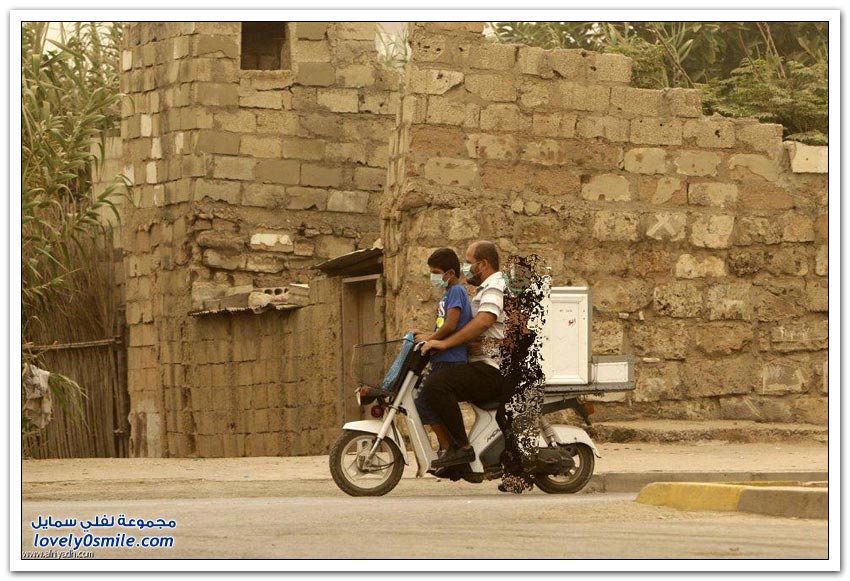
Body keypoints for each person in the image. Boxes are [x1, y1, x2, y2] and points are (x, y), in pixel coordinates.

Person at [421, 240, 506, 469]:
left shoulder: (496, 286)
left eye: (469, 263)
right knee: (434, 384)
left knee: (436, 385)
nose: (466, 267)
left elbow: (484, 321)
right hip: (483, 362)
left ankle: (462, 448)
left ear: (483, 264)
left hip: (494, 368)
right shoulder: (483, 289)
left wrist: (444, 344)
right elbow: (478, 329)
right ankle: (452, 448)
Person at [412, 248, 473, 456]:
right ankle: (446, 446)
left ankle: (449, 447)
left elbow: (451, 325)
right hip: (442, 360)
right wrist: (426, 334)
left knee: (422, 401)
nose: (433, 277)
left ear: (450, 273)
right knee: (423, 402)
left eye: (436, 272)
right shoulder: (448, 294)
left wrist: (429, 338)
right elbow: (443, 327)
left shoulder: (456, 291)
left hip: (451, 360)